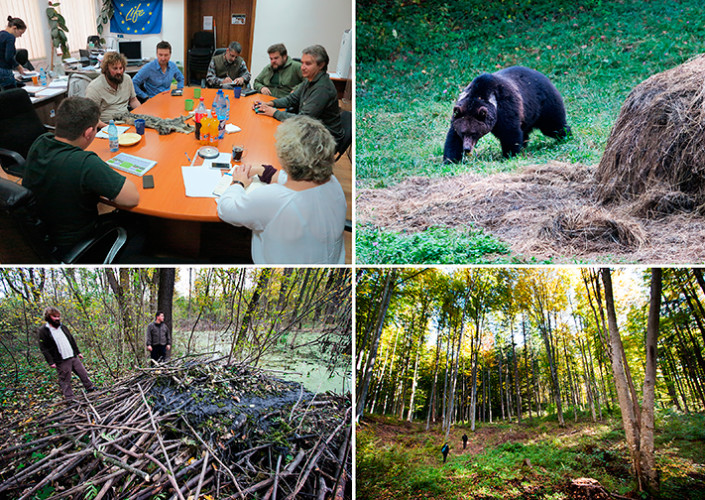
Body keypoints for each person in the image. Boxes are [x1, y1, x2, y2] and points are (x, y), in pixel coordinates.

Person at [217, 115, 346, 264]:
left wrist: (238, 182)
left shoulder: (275, 199)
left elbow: (226, 209)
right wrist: (261, 171)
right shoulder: (333, 183)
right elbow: (286, 177)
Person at [22, 97, 139, 258]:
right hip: (76, 243)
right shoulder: (86, 163)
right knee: (139, 225)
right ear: (89, 133)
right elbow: (131, 198)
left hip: (43, 233)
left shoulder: (39, 142)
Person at [253, 45, 344, 150]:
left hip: (325, 138)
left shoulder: (322, 88)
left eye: (308, 64)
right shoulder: (309, 80)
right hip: (312, 128)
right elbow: (291, 99)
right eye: (302, 63)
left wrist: (274, 113)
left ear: (321, 65)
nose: (302, 67)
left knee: (278, 145)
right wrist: (271, 103)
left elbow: (303, 120)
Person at [38, 307, 95, 400]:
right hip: (61, 360)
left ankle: (90, 388)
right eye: (54, 316)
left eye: (58, 316)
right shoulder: (44, 331)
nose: (57, 318)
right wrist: (51, 362)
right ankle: (69, 397)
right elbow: (44, 347)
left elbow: (71, 339)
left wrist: (78, 352)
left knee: (83, 373)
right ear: (48, 317)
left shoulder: (62, 327)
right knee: (65, 379)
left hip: (72, 356)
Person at [85, 51, 141, 128]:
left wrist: (142, 115)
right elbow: (90, 116)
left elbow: (133, 100)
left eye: (121, 68)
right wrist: (109, 128)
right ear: (106, 69)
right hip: (106, 126)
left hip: (127, 122)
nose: (119, 72)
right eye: (115, 68)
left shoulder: (127, 79)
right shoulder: (94, 87)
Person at [0, 16, 27, 89]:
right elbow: (8, 57)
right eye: (20, 33)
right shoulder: (10, 37)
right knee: (13, 96)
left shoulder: (1, 34)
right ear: (14, 28)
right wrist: (18, 66)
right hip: (4, 72)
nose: (20, 36)